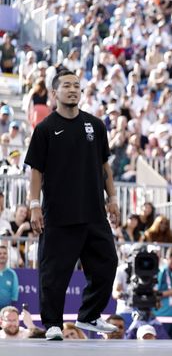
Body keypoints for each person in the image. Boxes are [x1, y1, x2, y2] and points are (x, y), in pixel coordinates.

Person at [24, 68, 119, 341]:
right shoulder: (44, 129)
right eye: (66, 85)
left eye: (77, 85)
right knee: (54, 274)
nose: (73, 89)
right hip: (59, 213)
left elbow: (104, 167)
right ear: (54, 93)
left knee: (108, 263)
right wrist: (33, 205)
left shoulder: (96, 125)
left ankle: (89, 315)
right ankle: (52, 324)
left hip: (93, 212)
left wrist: (112, 199)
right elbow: (36, 171)